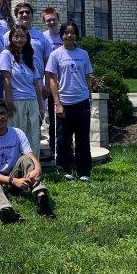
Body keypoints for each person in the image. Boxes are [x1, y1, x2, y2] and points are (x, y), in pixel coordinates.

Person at [0, 98, 53, 223]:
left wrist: (37, 168)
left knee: (26, 159)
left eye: (1, 113)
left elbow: (31, 156)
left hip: (13, 175)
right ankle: (7, 211)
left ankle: (42, 201)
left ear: (8, 114)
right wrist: (13, 181)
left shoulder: (18, 133)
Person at [45, 21, 95, 181]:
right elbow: (52, 79)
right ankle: (64, 168)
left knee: (82, 138)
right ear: (61, 36)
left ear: (76, 35)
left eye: (72, 32)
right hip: (64, 103)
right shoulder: (56, 55)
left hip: (81, 101)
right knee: (63, 139)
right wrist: (57, 103)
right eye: (66, 32)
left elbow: (87, 76)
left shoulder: (83, 54)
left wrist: (89, 95)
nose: (69, 35)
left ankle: (84, 171)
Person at [0, 24, 45, 156]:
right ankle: (18, 169)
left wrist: (41, 106)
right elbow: (6, 79)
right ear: (11, 38)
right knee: (18, 136)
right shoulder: (6, 54)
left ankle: (33, 167)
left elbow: (36, 83)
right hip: (16, 101)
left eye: (22, 36)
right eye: (16, 36)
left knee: (33, 136)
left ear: (27, 38)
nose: (19, 39)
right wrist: (9, 101)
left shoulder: (28, 56)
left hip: (32, 101)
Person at [40, 7, 63, 153]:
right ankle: (53, 146)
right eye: (48, 20)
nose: (51, 22)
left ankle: (64, 146)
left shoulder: (64, 36)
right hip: (48, 82)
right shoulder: (43, 37)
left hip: (64, 82)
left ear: (58, 19)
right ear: (44, 21)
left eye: (53, 19)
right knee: (51, 117)